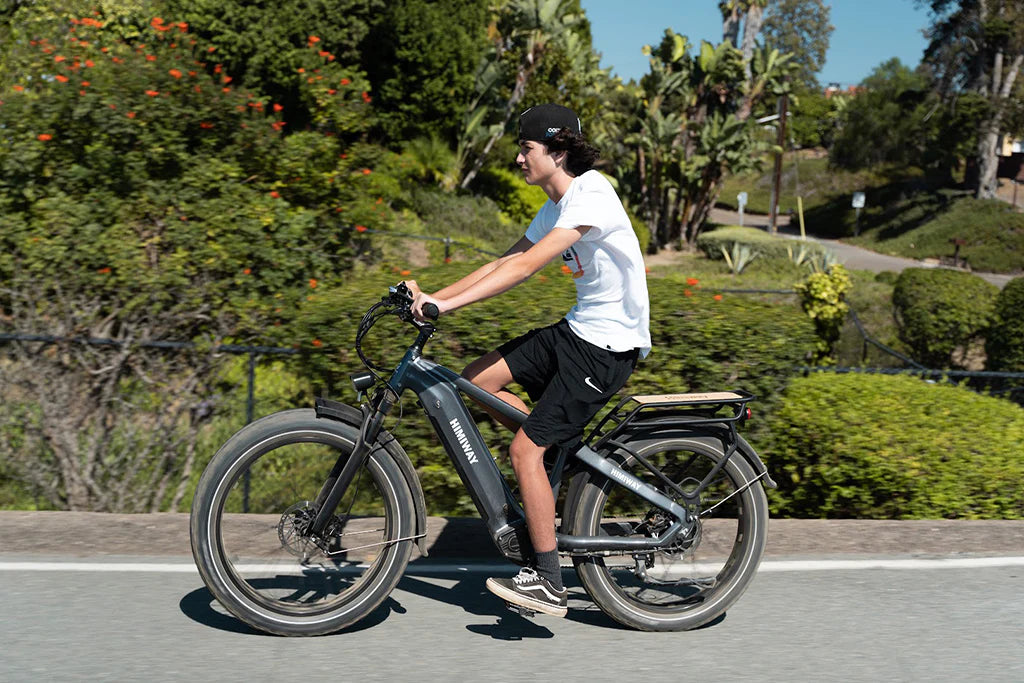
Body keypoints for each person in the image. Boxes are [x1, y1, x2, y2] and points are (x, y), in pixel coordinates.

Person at [406, 103, 650, 617]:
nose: (519, 157)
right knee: (474, 381)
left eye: (526, 147)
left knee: (523, 452)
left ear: (557, 152)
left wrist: (445, 305)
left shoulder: (593, 192)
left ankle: (547, 578)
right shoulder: (554, 205)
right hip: (578, 330)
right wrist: (434, 295)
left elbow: (528, 269)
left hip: (608, 346)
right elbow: (505, 260)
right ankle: (552, 451)